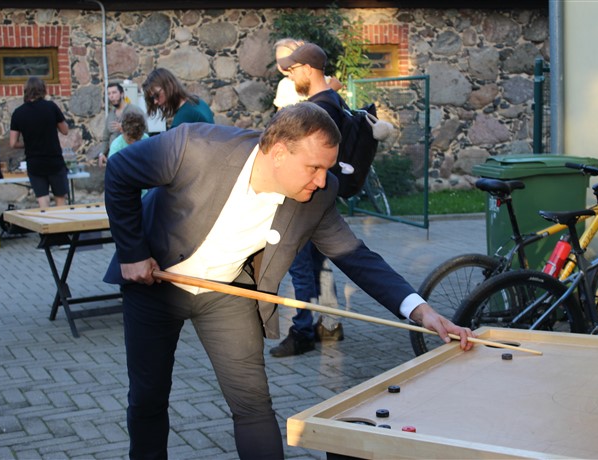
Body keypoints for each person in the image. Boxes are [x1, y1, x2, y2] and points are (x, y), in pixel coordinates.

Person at [103, 102, 475, 460]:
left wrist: (421, 311)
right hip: (156, 283)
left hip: (226, 292)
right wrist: (133, 253)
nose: (322, 180)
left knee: (252, 404)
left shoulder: (317, 194)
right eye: (314, 167)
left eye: (327, 169)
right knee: (148, 397)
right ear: (279, 152)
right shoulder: (195, 147)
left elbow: (353, 255)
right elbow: (119, 171)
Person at [270, 39, 345, 357]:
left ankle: (302, 331)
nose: (289, 75)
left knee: (300, 268)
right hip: (319, 199)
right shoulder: (330, 99)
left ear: (308, 69)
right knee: (317, 266)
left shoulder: (319, 108)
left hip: (304, 201)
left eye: (294, 69)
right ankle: (328, 325)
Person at [9, 77, 70, 209]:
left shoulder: (18, 113)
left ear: (26, 91)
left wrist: (28, 143)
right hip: (54, 160)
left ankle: (45, 222)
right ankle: (61, 222)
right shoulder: (51, 107)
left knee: (43, 200)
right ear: (43, 90)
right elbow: (65, 130)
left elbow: (13, 143)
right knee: (60, 199)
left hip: (34, 162)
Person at [142, 68, 214, 130]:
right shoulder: (198, 102)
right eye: (152, 98)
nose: (155, 102)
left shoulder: (183, 117)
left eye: (156, 95)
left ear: (169, 86)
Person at [98, 82, 145, 167]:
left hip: (132, 159)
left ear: (122, 94)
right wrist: (102, 153)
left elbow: (144, 132)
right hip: (114, 160)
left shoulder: (134, 110)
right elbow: (105, 138)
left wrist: (125, 128)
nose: (111, 96)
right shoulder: (110, 116)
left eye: (114, 92)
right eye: (109, 93)